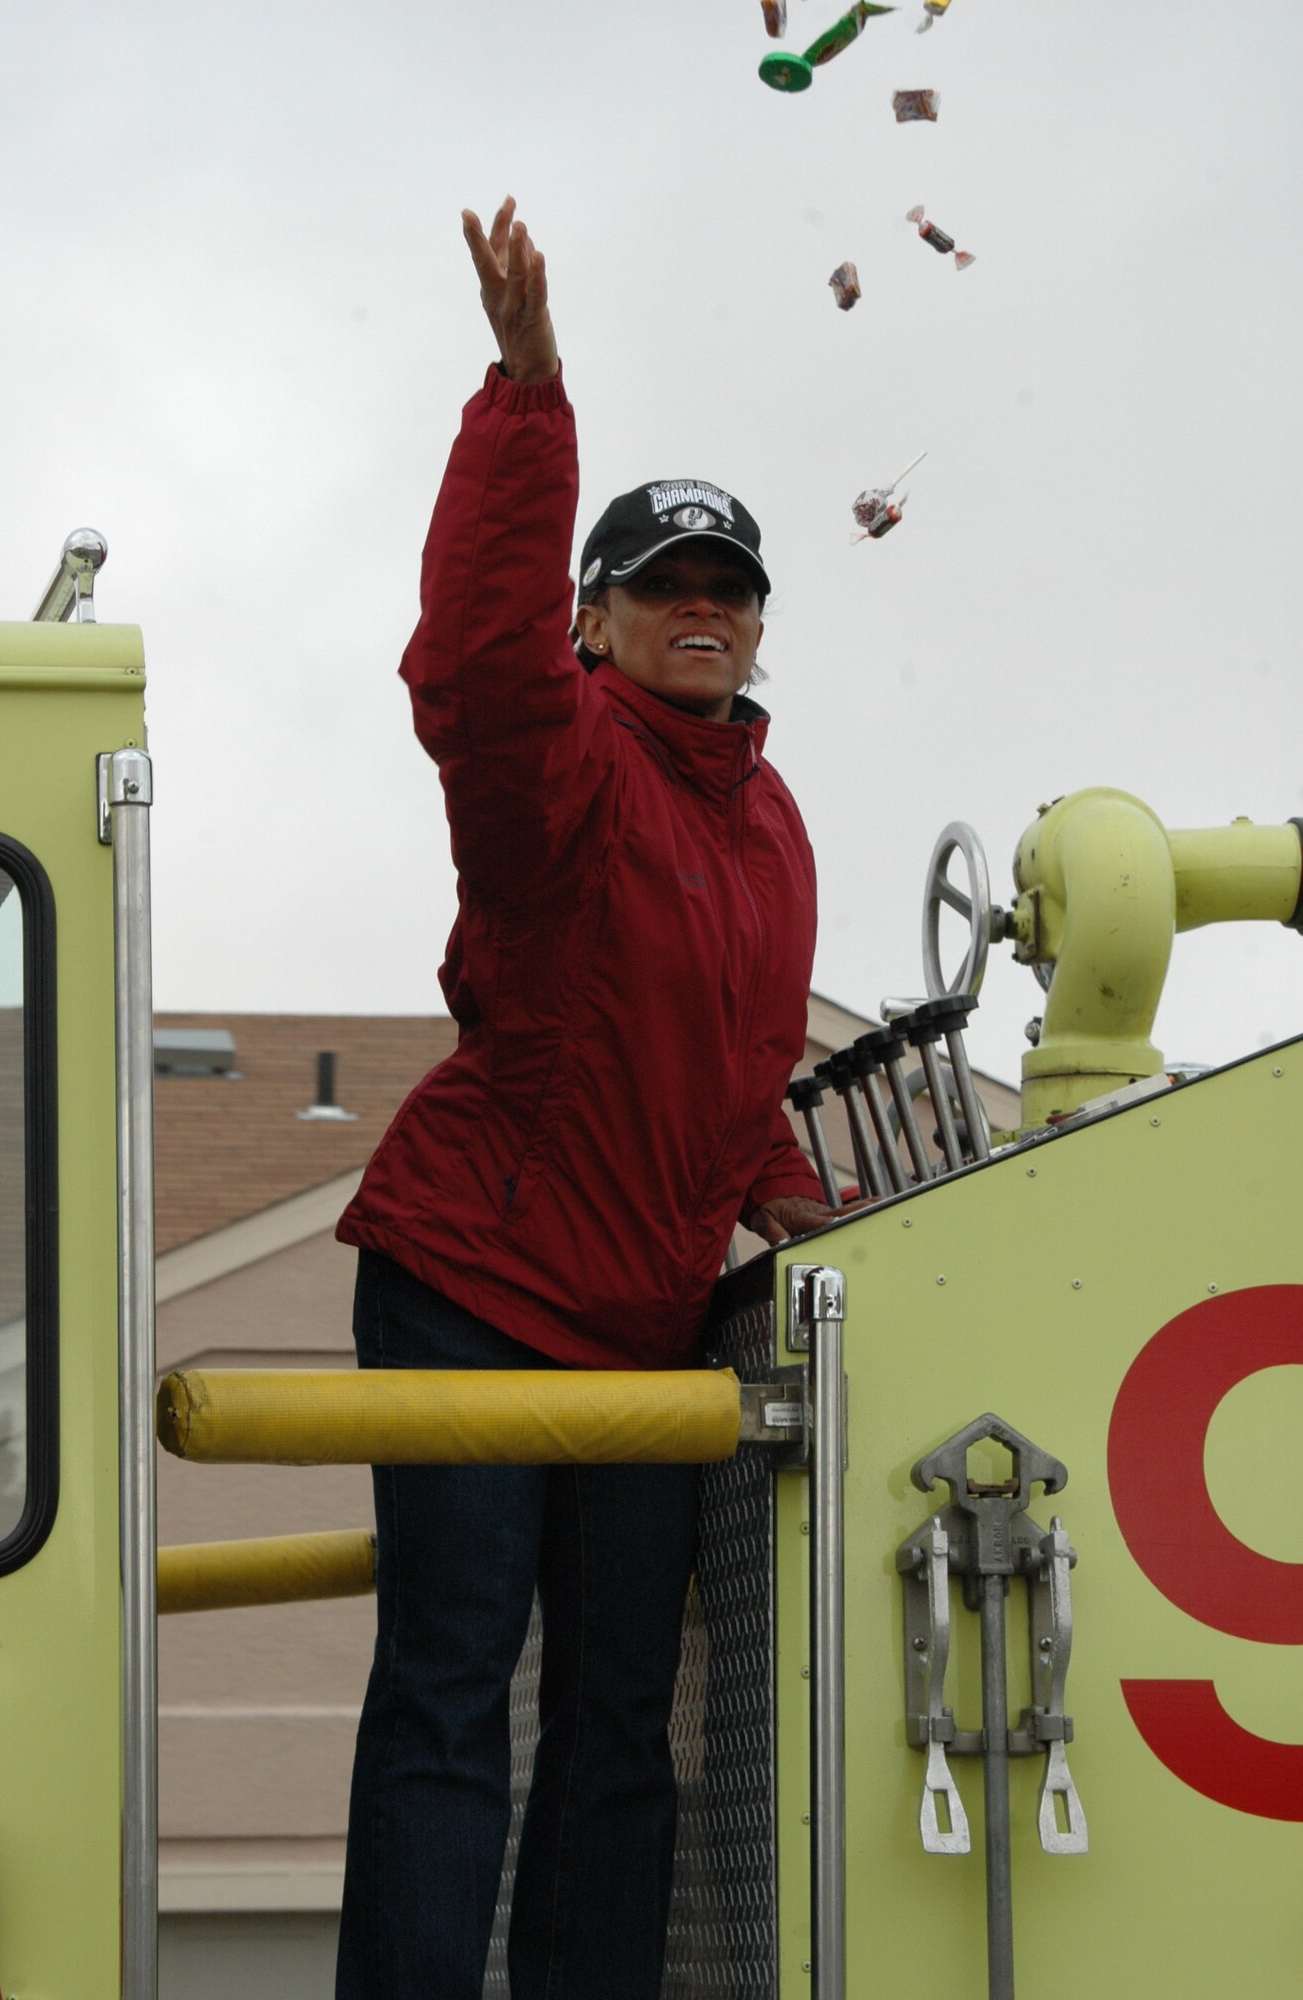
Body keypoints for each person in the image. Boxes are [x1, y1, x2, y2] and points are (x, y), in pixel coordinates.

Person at [334, 196, 841, 2000]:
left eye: (728, 594)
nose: (700, 614)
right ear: (597, 618)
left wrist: (789, 1186)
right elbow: (467, 672)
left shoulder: (769, 823)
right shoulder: (552, 761)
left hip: (639, 1333)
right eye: (662, 591)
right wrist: (528, 394)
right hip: (473, 1285)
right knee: (453, 1697)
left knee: (625, 1729)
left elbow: (712, 1067)